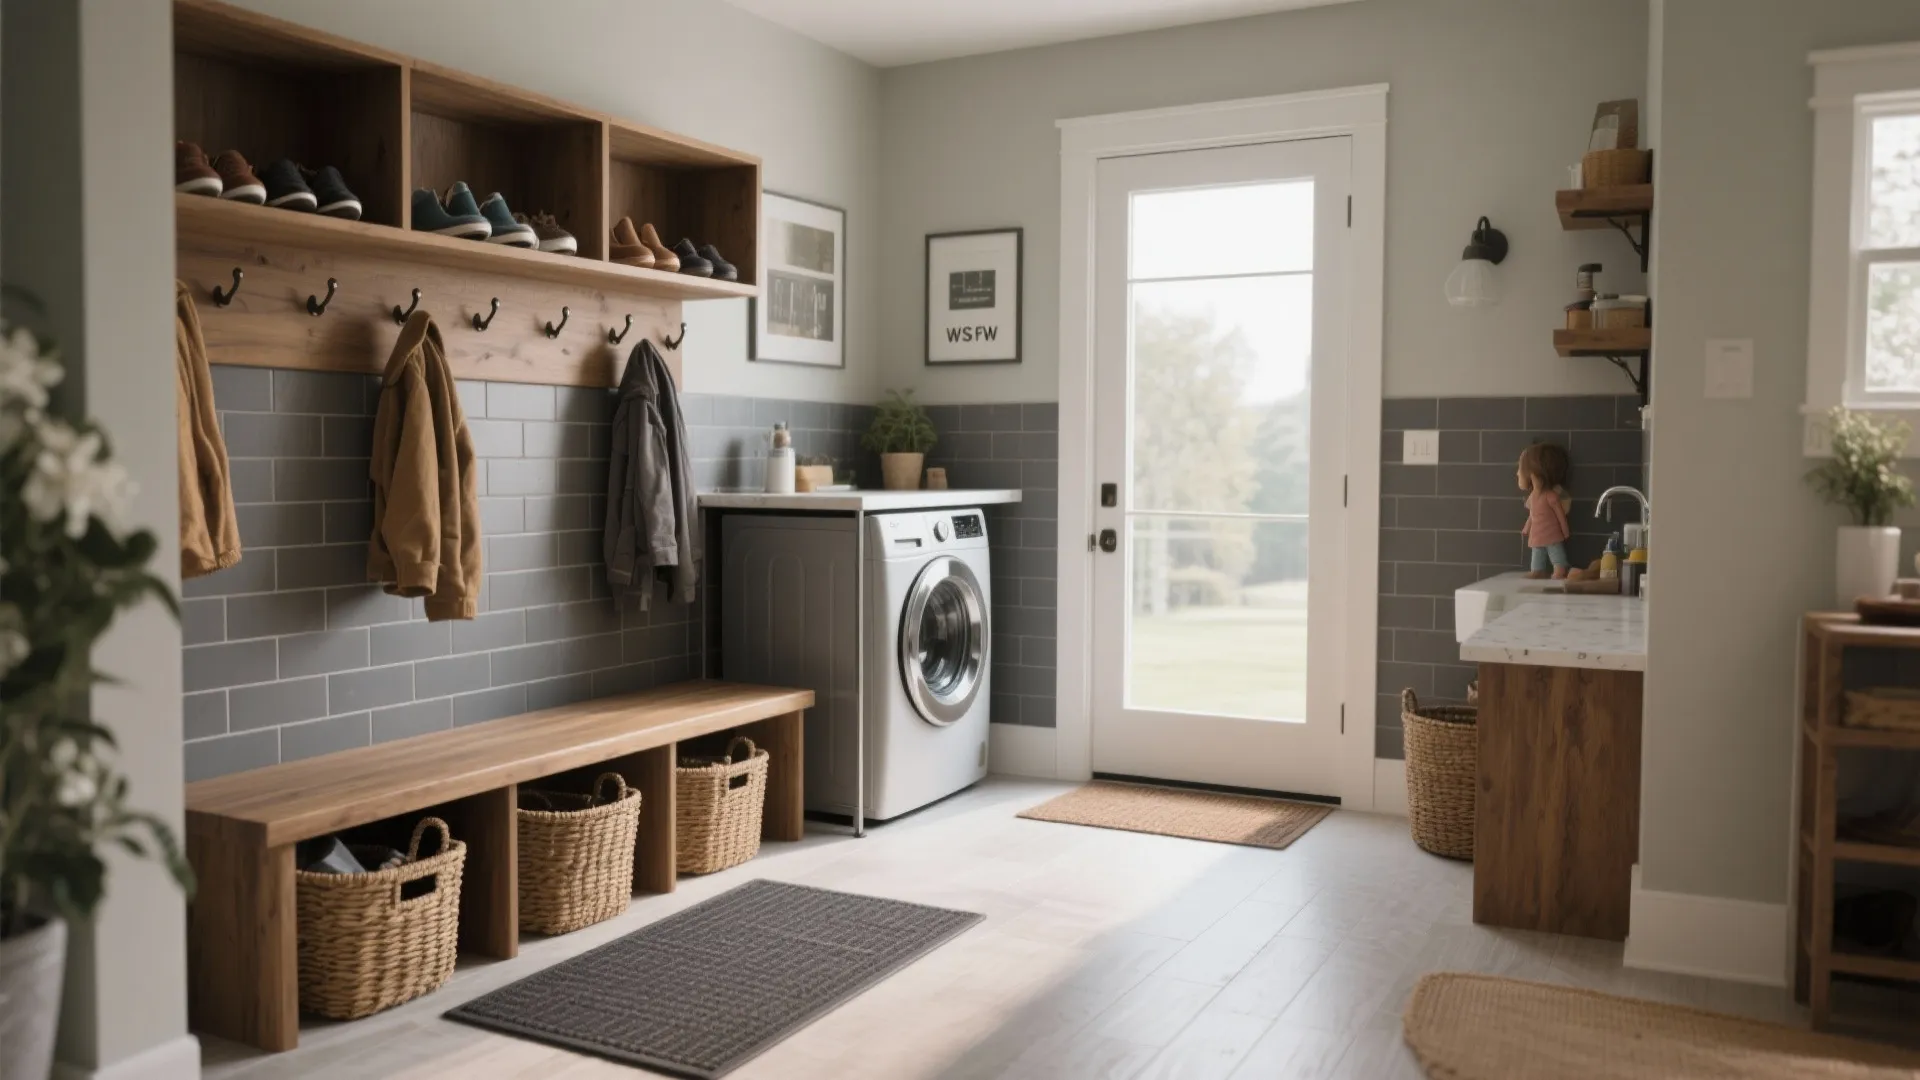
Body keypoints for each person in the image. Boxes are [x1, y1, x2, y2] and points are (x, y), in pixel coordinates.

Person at [1517, 443, 1574, 580]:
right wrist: (1526, 528)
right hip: (1537, 532)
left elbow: (1561, 516)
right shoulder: (1533, 497)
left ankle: (1560, 567)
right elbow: (1532, 515)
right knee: (1537, 550)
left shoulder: (1551, 496)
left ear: (1534, 473)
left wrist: (1565, 531)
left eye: (1520, 468)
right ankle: (1537, 570)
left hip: (1551, 532)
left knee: (1554, 548)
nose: (1517, 473)